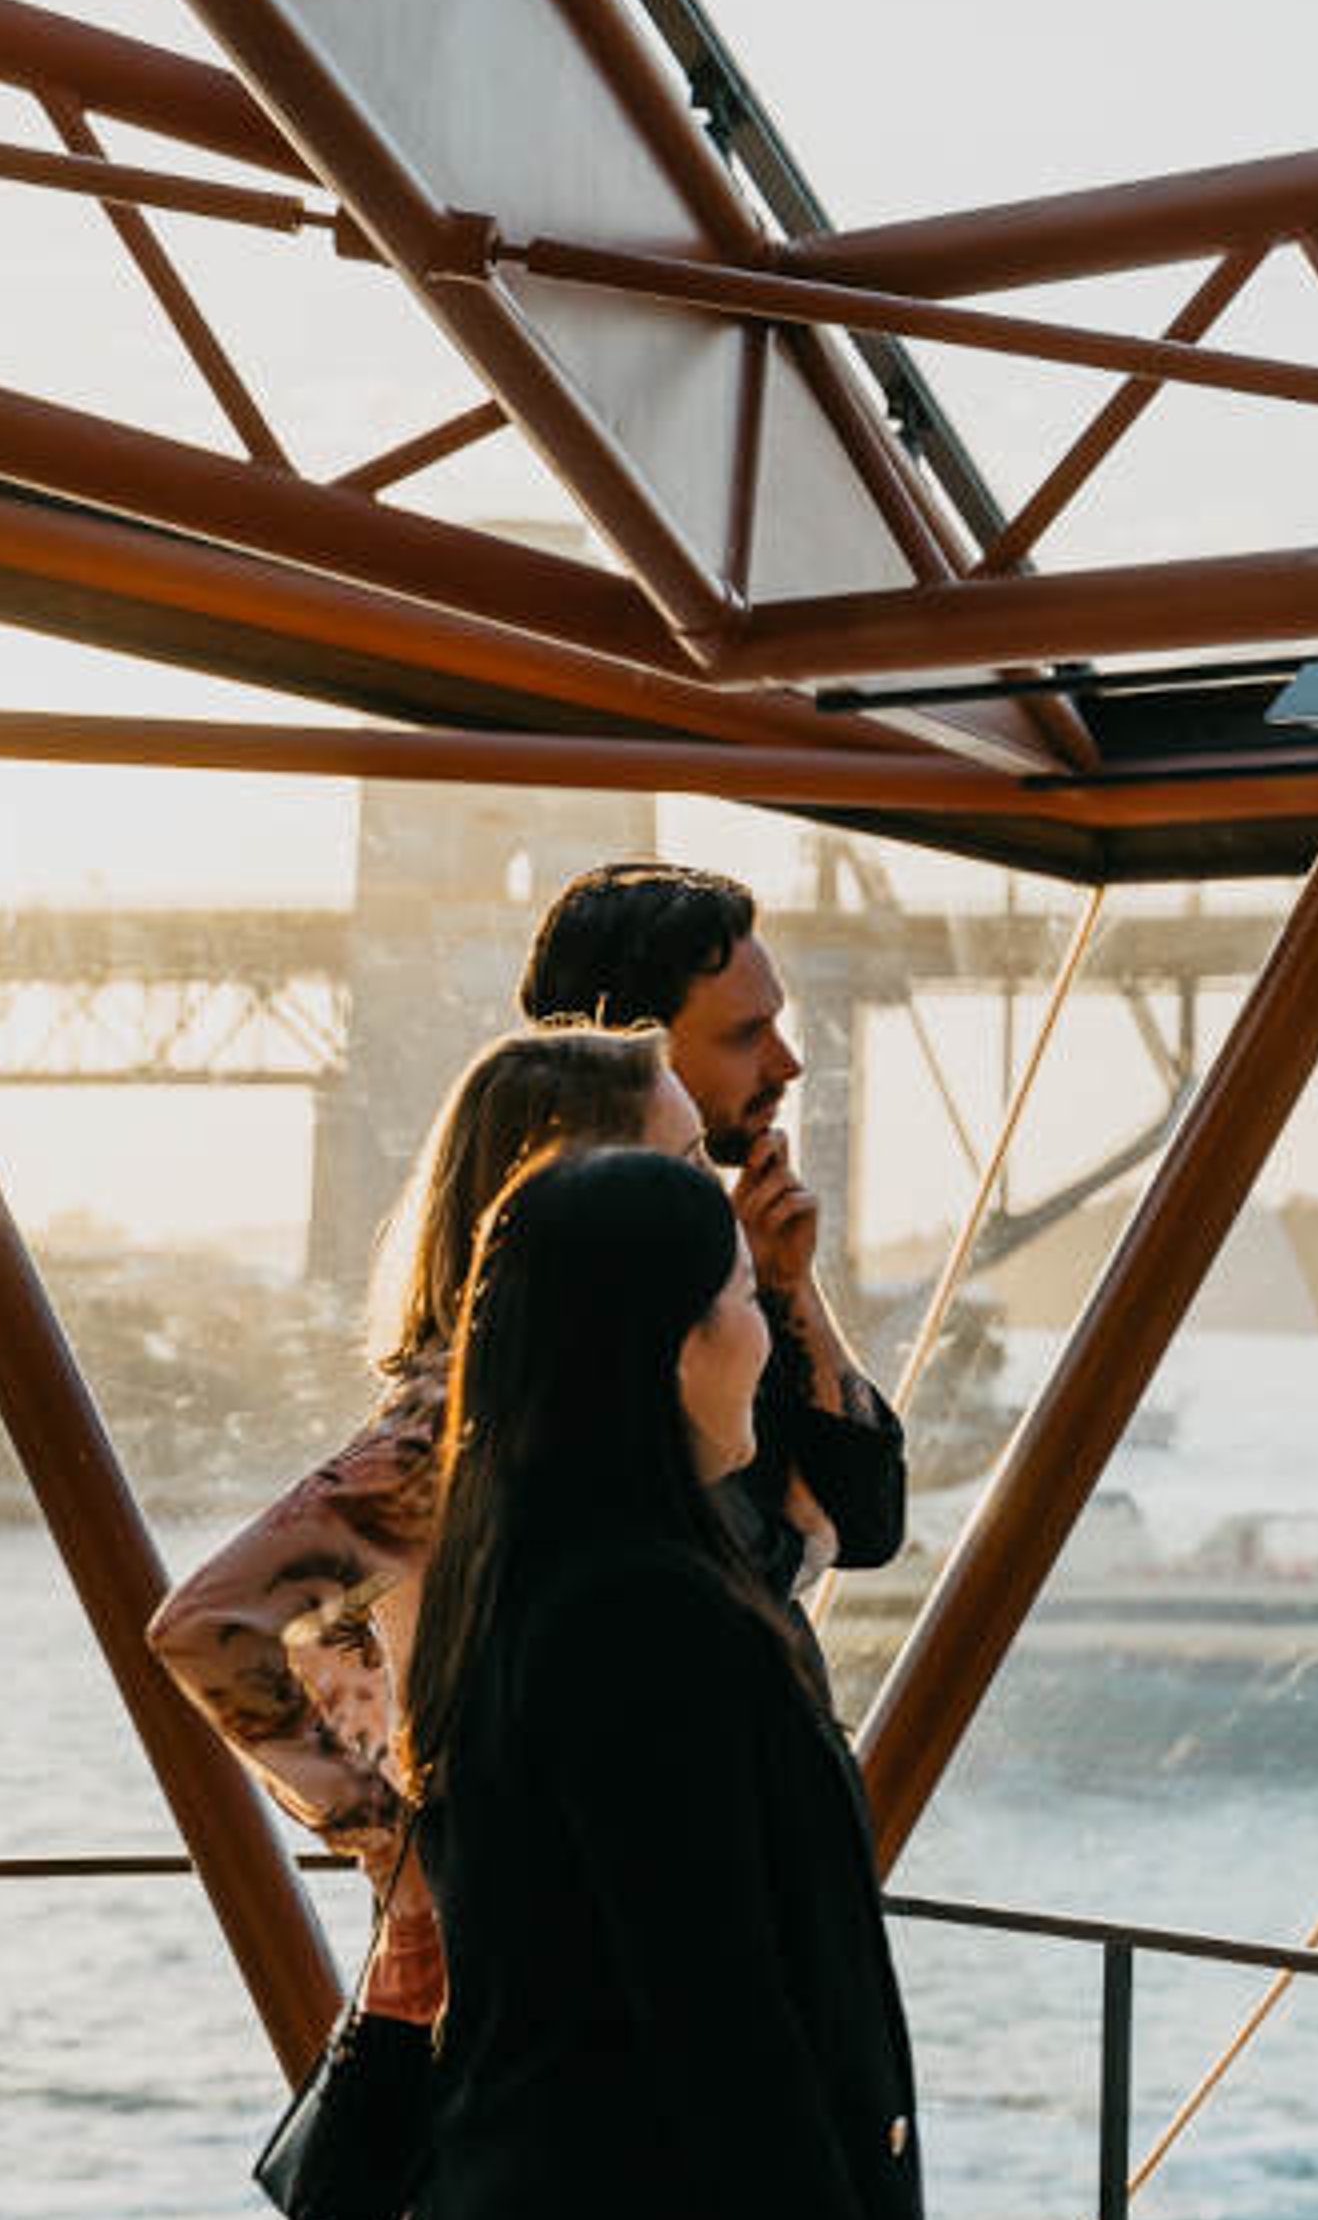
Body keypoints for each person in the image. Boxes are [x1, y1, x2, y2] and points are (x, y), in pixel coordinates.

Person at [401, 1145, 921, 2219]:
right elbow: (724, 2019)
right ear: (672, 1350)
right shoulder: (648, 1616)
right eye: (743, 1297)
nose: (763, 1334)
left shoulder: (512, 1572)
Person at [149, 1023, 693, 2024]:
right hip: (520, 1967)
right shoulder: (461, 1424)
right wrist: (398, 1852)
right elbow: (209, 1626)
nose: (712, 1197)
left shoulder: (553, 1408)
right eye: (684, 1162)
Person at [519, 859, 906, 1612]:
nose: (788, 1063)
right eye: (746, 1034)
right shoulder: (561, 1316)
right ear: (630, 1056)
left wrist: (788, 1284)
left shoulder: (715, 1277)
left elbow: (869, 1520)